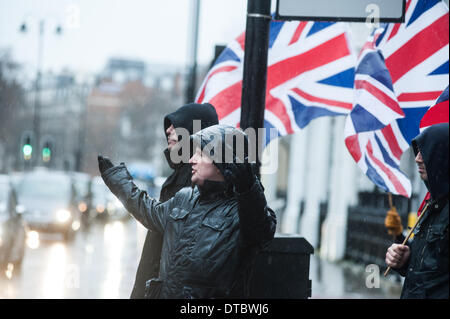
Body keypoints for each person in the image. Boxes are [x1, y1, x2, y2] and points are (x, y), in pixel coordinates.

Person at [98, 124, 276, 298]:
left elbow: (260, 228)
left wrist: (248, 189)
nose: (192, 159)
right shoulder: (184, 198)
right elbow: (149, 212)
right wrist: (117, 180)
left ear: (222, 162)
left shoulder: (240, 212)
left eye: (200, 154)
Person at [129, 102, 219, 298]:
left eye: (176, 125)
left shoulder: (197, 181)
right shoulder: (178, 177)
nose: (168, 131)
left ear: (193, 132)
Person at [385, 123, 449, 299]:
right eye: (417, 151)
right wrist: (407, 258)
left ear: (442, 156)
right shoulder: (432, 203)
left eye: (425, 151)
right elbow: (433, 265)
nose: (417, 159)